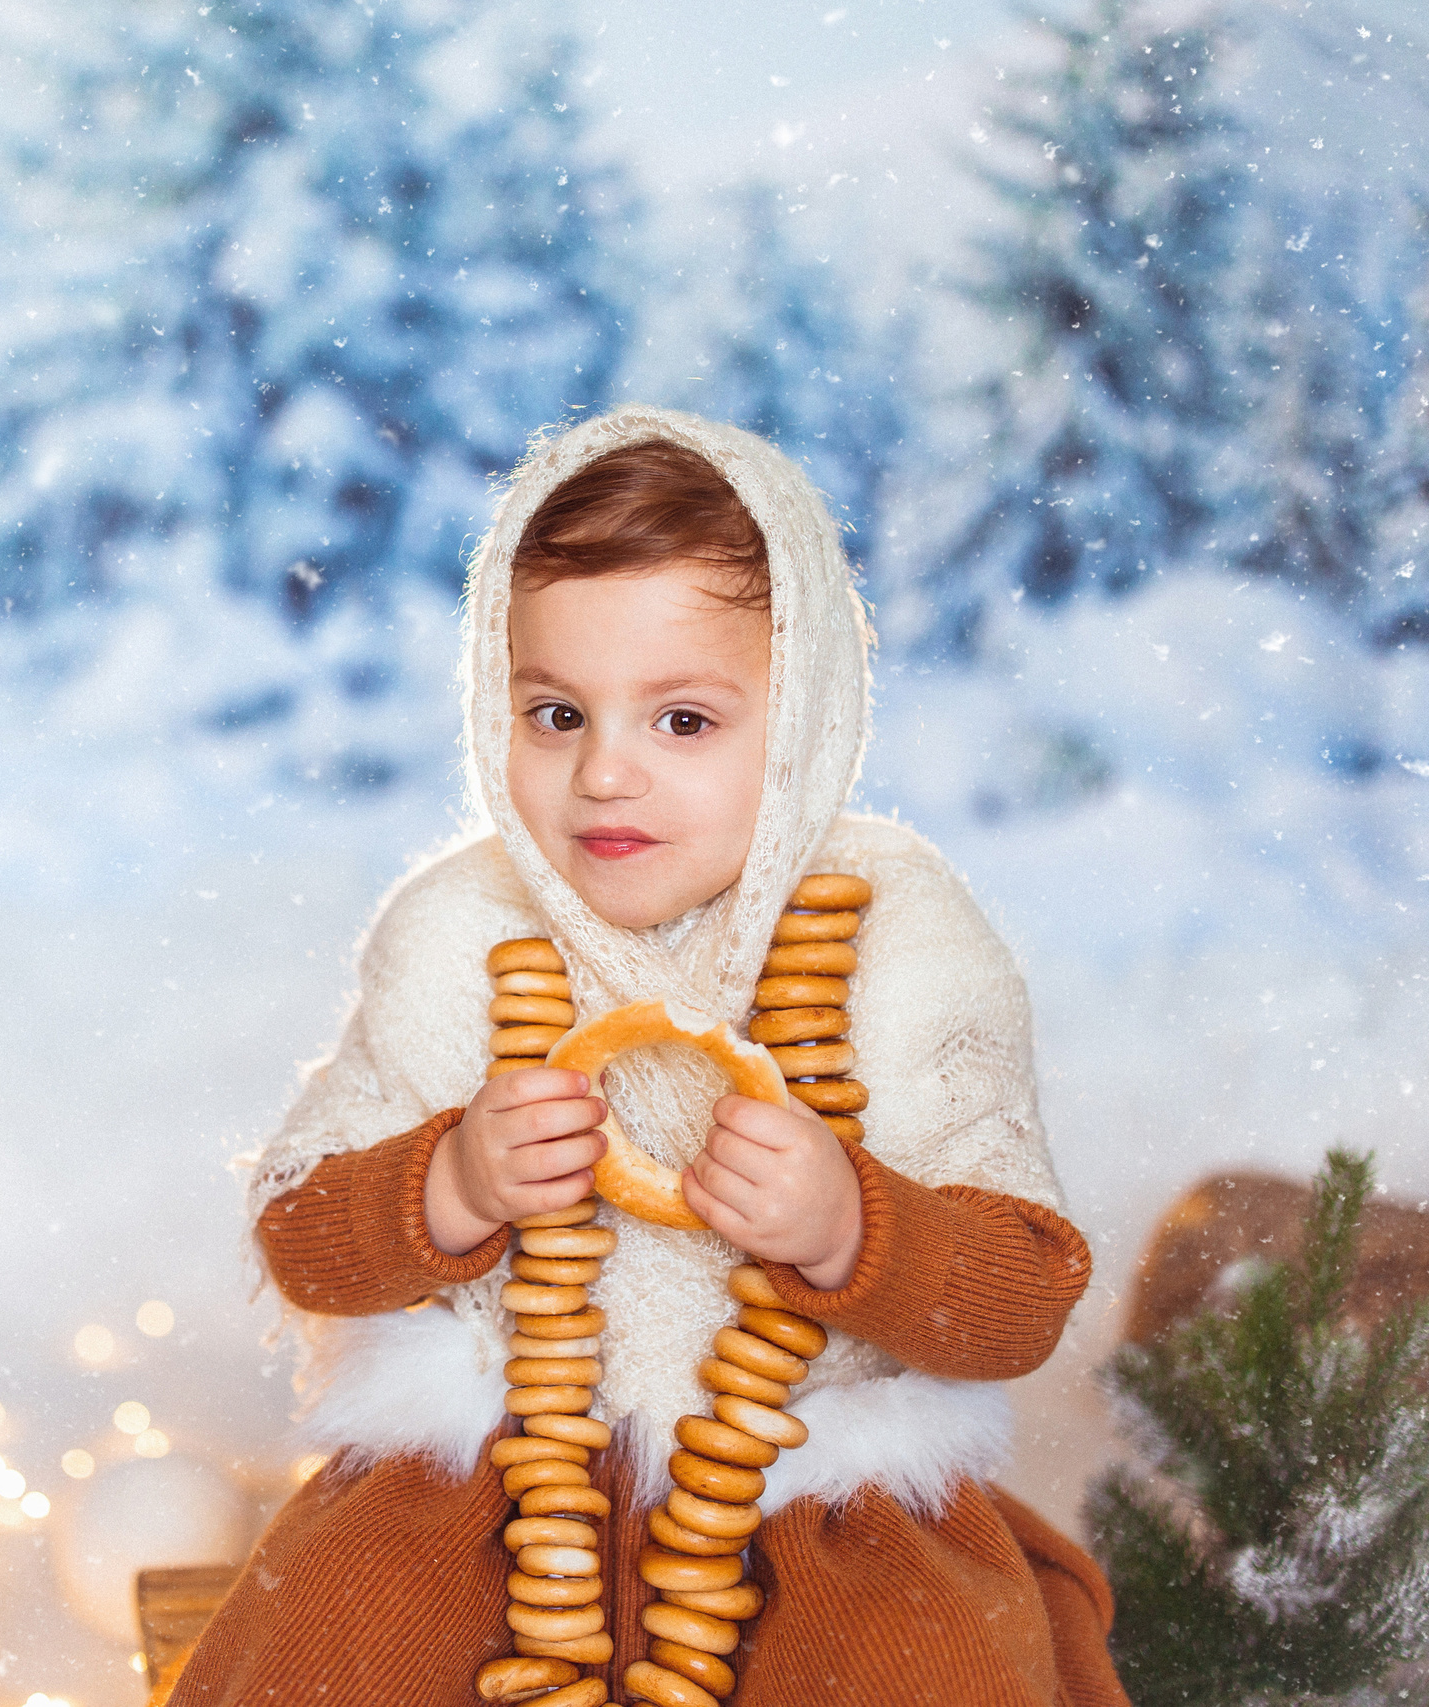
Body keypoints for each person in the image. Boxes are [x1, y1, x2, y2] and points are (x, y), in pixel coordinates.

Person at [166, 406, 1129, 1707]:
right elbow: (301, 1234)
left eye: (682, 722)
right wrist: (450, 1183)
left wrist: (850, 1224)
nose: (605, 774)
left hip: (815, 1493)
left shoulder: (901, 936)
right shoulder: (463, 932)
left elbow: (1021, 1295)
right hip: (490, 1486)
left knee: (923, 1665)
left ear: (801, 722)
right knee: (334, 1633)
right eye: (557, 712)